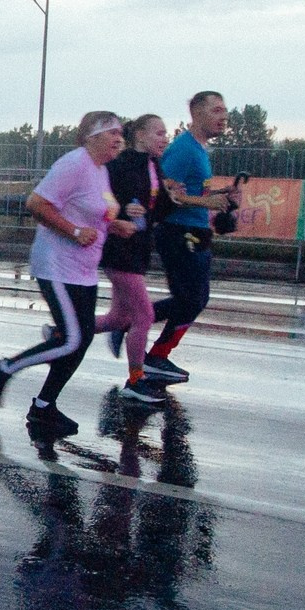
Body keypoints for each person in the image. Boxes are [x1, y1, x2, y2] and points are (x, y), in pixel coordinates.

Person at [0, 112, 132, 437]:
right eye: (112, 133)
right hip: (56, 264)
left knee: (79, 341)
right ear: (92, 136)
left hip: (83, 270)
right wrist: (75, 231)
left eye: (121, 132)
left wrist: (113, 224)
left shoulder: (100, 170)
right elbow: (37, 203)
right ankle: (2, 369)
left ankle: (43, 407)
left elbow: (94, 211)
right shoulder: (74, 164)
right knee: (73, 338)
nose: (119, 138)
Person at [142, 90, 241, 386]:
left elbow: (190, 191)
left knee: (193, 299)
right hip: (178, 231)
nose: (223, 117)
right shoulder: (185, 149)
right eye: (216, 110)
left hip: (194, 231)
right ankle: (137, 331)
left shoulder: (199, 149)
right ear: (197, 113)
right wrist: (206, 204)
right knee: (193, 298)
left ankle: (151, 348)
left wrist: (220, 195)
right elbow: (164, 192)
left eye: (225, 111)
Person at [96, 113, 177, 401]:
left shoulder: (155, 165)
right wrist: (120, 211)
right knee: (144, 315)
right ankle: (135, 380)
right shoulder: (122, 163)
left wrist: (169, 200)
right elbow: (101, 200)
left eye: (165, 133)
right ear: (140, 136)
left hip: (139, 247)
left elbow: (160, 208)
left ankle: (61, 333)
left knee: (118, 318)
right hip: (120, 249)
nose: (164, 138)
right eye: (159, 133)